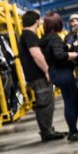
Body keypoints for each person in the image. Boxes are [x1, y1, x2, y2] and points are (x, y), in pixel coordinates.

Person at [39, 13, 78, 142]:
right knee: (70, 102)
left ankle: (73, 130)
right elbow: (59, 55)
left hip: (56, 73)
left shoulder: (45, 38)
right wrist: (75, 54)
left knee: (77, 100)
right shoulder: (54, 38)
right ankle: (73, 132)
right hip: (62, 73)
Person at [18, 10, 64, 142]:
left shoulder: (25, 35)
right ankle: (46, 132)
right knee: (45, 104)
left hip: (34, 76)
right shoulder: (29, 35)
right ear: (36, 21)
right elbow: (36, 54)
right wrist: (46, 70)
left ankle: (48, 129)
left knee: (46, 103)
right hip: (38, 76)